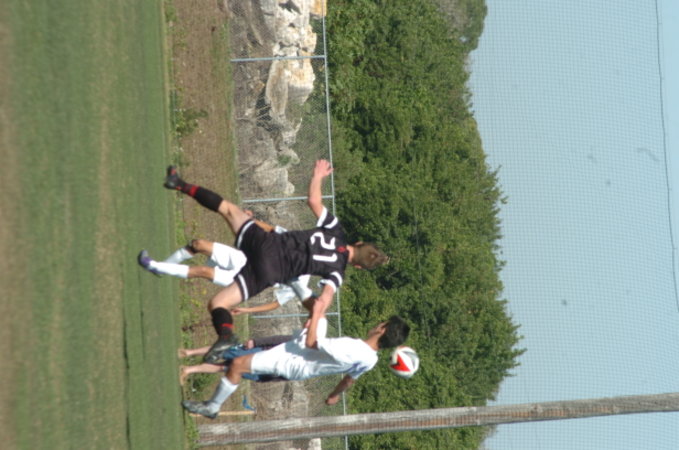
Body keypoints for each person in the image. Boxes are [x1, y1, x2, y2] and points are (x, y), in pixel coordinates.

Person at [156, 159, 389, 363]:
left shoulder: (336, 230)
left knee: (227, 209)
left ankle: (179, 183)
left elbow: (313, 201)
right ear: (357, 266)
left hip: (267, 244)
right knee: (218, 303)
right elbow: (324, 299)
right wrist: (316, 315)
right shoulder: (337, 272)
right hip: (269, 271)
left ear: (358, 243)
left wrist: (318, 175)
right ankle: (225, 334)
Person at [181, 296, 410, 419]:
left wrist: (316, 314)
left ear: (382, 329)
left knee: (237, 364)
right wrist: (333, 395)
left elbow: (312, 343)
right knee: (320, 312)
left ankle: (212, 406)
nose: (377, 324)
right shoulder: (371, 359)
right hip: (298, 355)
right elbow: (349, 380)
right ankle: (301, 284)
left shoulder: (352, 347)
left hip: (295, 359)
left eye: (381, 323)